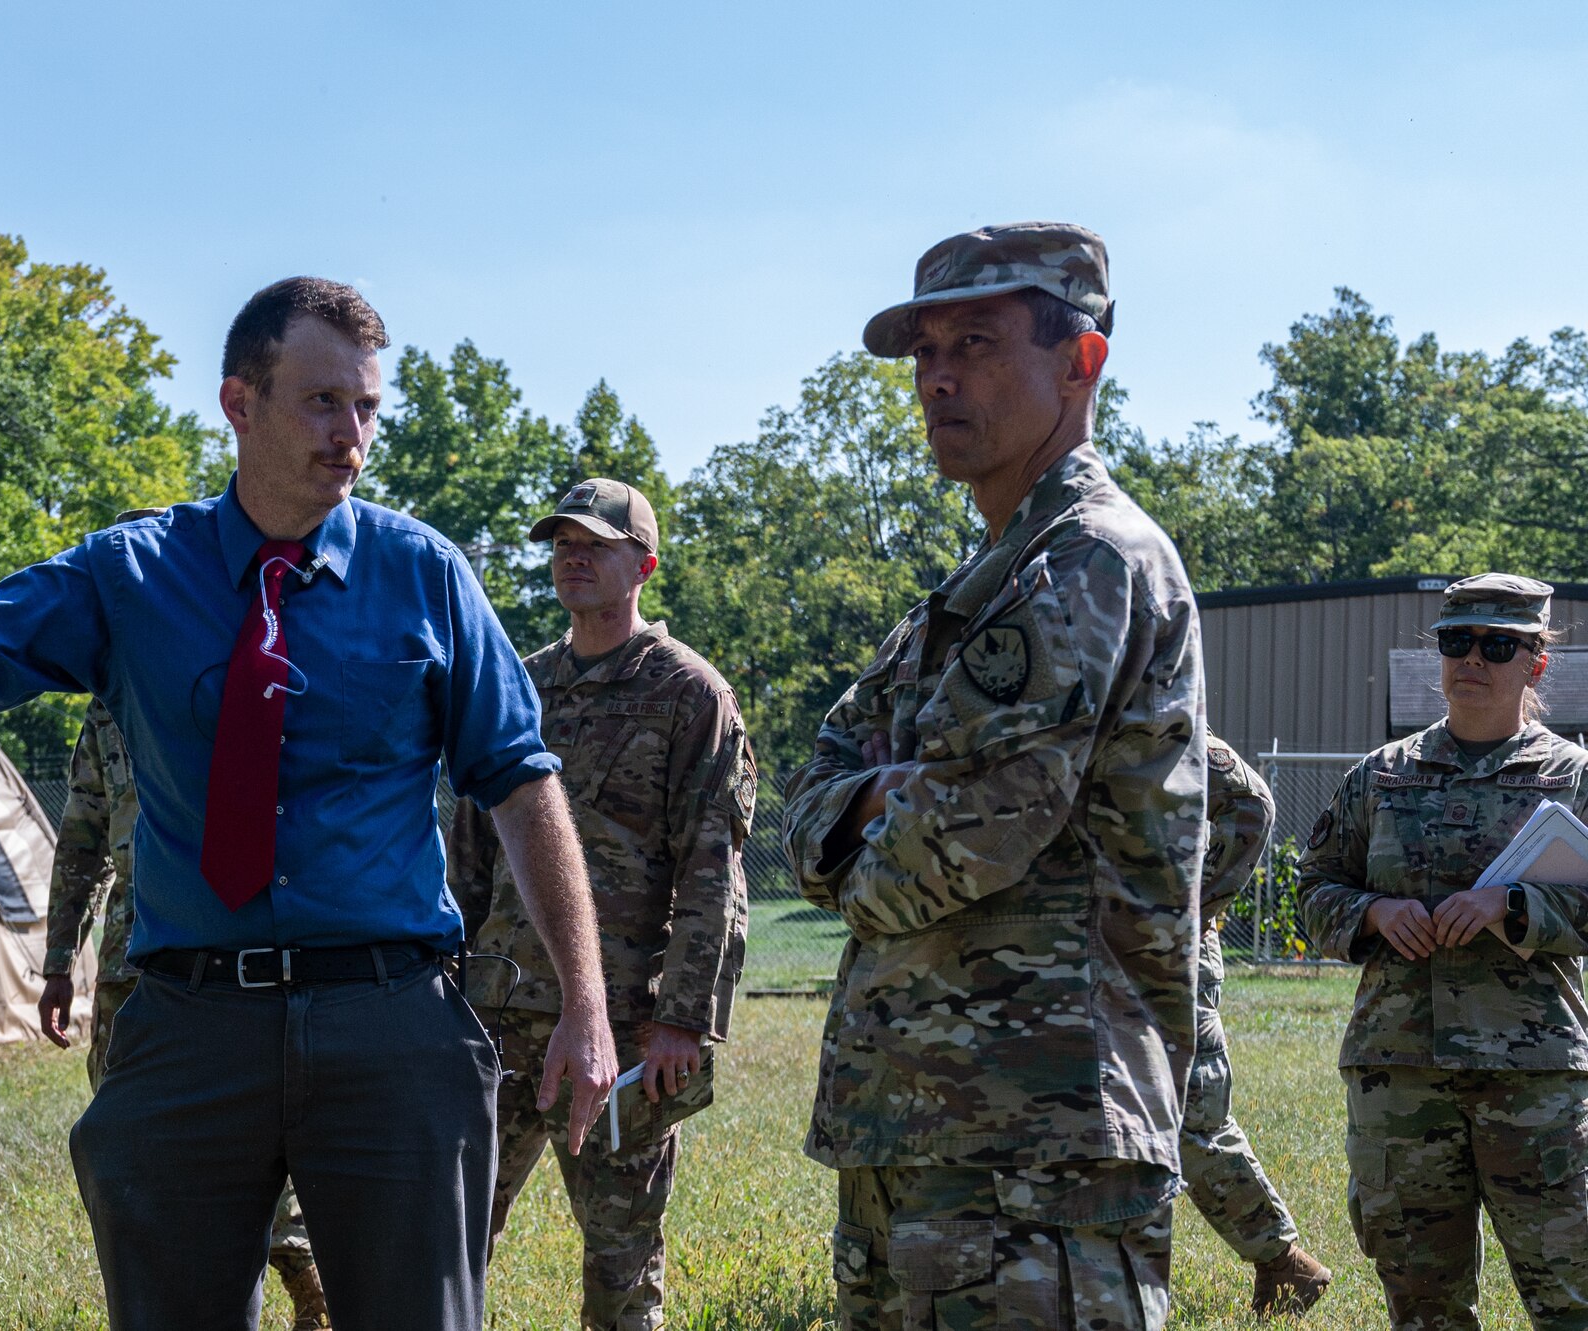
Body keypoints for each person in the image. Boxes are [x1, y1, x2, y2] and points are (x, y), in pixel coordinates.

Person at [0, 276, 619, 1331]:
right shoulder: (131, 574)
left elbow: (522, 784)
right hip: (191, 1026)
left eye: (366, 408)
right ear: (238, 402)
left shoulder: (423, 575)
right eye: (319, 402)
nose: (350, 435)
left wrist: (583, 999)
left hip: (388, 1021)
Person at [781, 221, 1206, 1331]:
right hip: (918, 1128)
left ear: (1081, 359)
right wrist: (878, 796)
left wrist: (875, 815)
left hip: (1038, 1143)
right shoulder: (979, 585)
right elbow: (812, 789)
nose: (937, 377)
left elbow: (954, 842)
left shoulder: (1089, 561)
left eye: (975, 341)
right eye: (923, 353)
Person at [447, 479, 754, 1331]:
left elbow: (712, 867)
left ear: (644, 564)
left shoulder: (689, 694)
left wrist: (683, 1020)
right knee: (446, 1245)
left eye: (596, 542)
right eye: (560, 542)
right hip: (498, 1014)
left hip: (620, 1030)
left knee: (621, 1274)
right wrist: (446, 992)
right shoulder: (519, 684)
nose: (572, 555)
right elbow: (468, 853)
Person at [1299, 573, 1588, 1331]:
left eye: (1499, 644)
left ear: (1536, 662)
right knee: (1424, 1308)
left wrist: (1515, 904)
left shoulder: (1574, 779)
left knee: (1571, 1295)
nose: (1474, 659)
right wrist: (1373, 912)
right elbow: (1315, 887)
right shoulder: (1381, 775)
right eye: (1458, 641)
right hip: (1401, 1074)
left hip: (1535, 1081)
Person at [39, 689, 328, 1330]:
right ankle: (159, 1293)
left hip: (233, 949)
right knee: (129, 1142)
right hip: (131, 961)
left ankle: (306, 1279)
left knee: (252, 1128)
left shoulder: (246, 675)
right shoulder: (110, 704)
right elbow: (83, 834)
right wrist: (61, 959)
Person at [1186, 733, 1331, 1318]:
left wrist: (1187, 912)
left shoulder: (1135, 687)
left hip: (1163, 957)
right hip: (1067, 948)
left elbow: (1249, 800)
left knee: (1188, 1118)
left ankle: (1283, 1260)